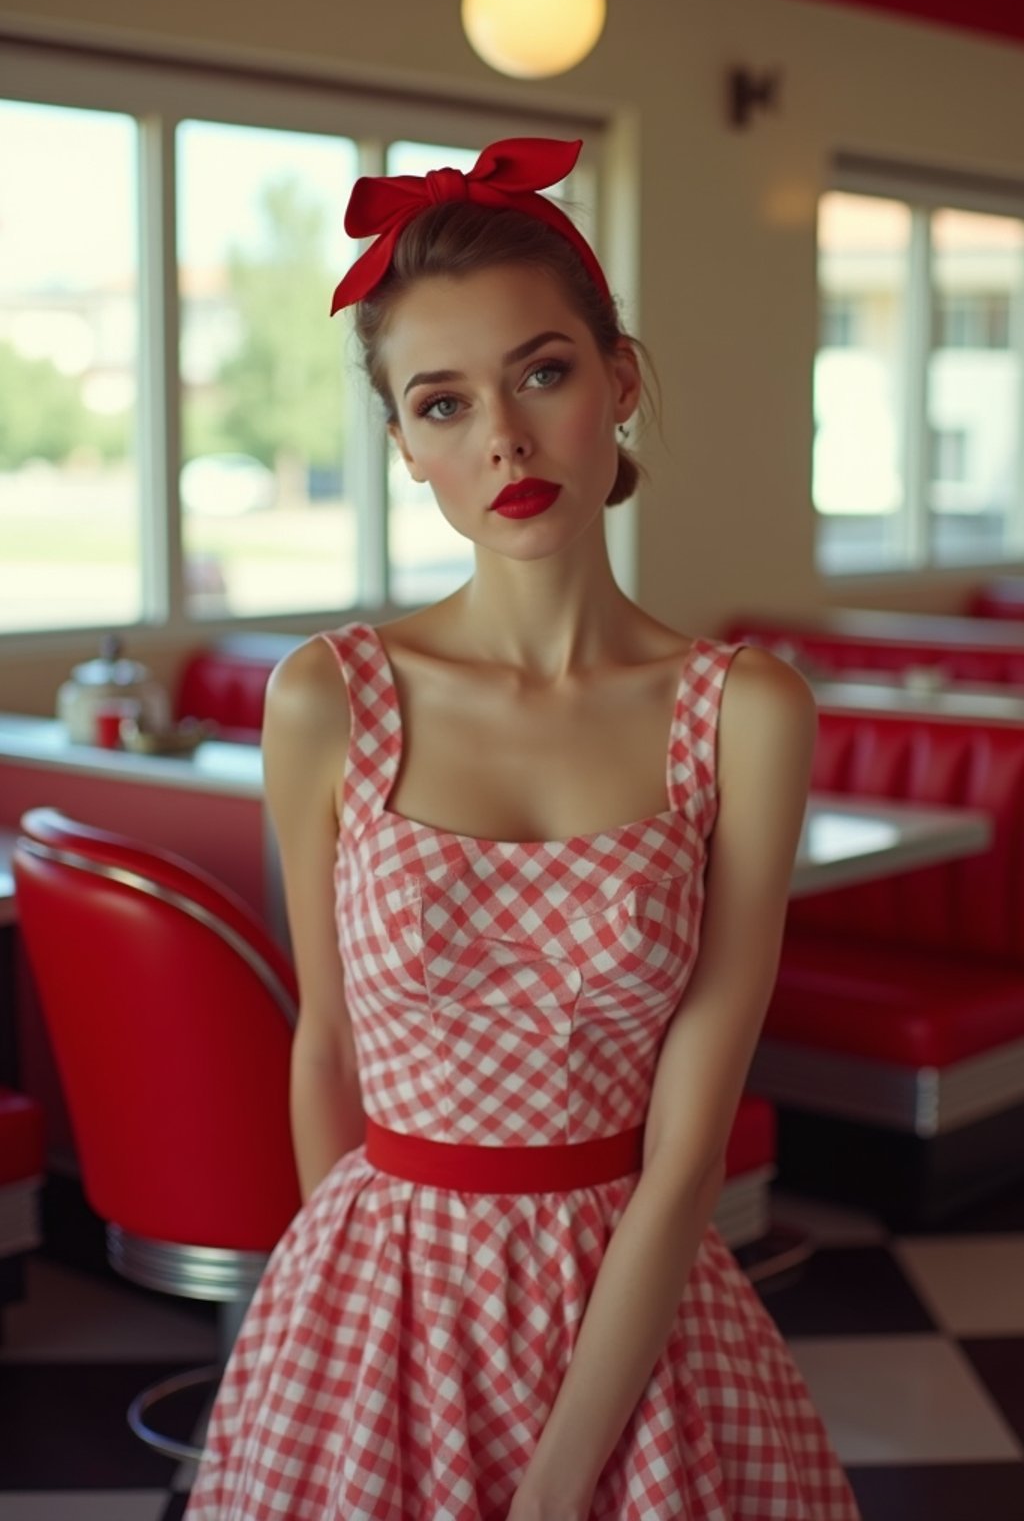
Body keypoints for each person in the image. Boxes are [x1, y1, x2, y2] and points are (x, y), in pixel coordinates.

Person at [185, 138, 861, 1521]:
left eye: (541, 372)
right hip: (373, 1301)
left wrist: (559, 1485)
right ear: (403, 445)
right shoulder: (330, 697)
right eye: (442, 403)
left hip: (638, 1312)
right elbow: (326, 1042)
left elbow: (690, 1144)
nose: (500, 436)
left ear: (619, 379)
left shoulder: (745, 712)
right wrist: (347, 1319)